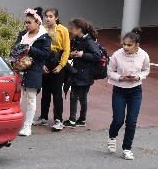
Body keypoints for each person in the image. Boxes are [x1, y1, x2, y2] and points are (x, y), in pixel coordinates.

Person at [107, 28, 150, 160]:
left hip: (135, 91)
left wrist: (138, 77)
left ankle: (127, 149)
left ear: (137, 45)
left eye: (129, 45)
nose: (125, 47)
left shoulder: (144, 55)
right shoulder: (116, 55)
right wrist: (120, 77)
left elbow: (146, 70)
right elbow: (109, 71)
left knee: (131, 121)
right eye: (124, 44)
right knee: (118, 119)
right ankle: (112, 136)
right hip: (119, 90)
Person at [14, 7, 52, 137]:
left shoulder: (44, 37)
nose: (27, 25)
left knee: (31, 99)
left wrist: (30, 49)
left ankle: (27, 126)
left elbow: (46, 55)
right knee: (17, 99)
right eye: (26, 22)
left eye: (29, 22)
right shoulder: (22, 34)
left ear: (38, 22)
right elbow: (14, 49)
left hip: (34, 70)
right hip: (19, 70)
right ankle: (14, 125)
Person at [34, 8, 70, 131]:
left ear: (56, 18)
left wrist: (61, 66)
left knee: (57, 93)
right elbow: (39, 48)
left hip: (57, 61)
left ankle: (58, 119)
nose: (48, 18)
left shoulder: (63, 30)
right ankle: (43, 117)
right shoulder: (42, 29)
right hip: (45, 61)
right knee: (45, 92)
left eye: (51, 16)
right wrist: (42, 64)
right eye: (46, 16)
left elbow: (66, 50)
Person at [64, 18, 101, 128]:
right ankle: (80, 119)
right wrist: (73, 54)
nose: (70, 30)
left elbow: (97, 55)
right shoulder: (77, 39)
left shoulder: (88, 41)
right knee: (79, 97)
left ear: (79, 29)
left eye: (72, 28)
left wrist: (81, 54)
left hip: (84, 74)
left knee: (77, 96)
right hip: (79, 73)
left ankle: (74, 119)